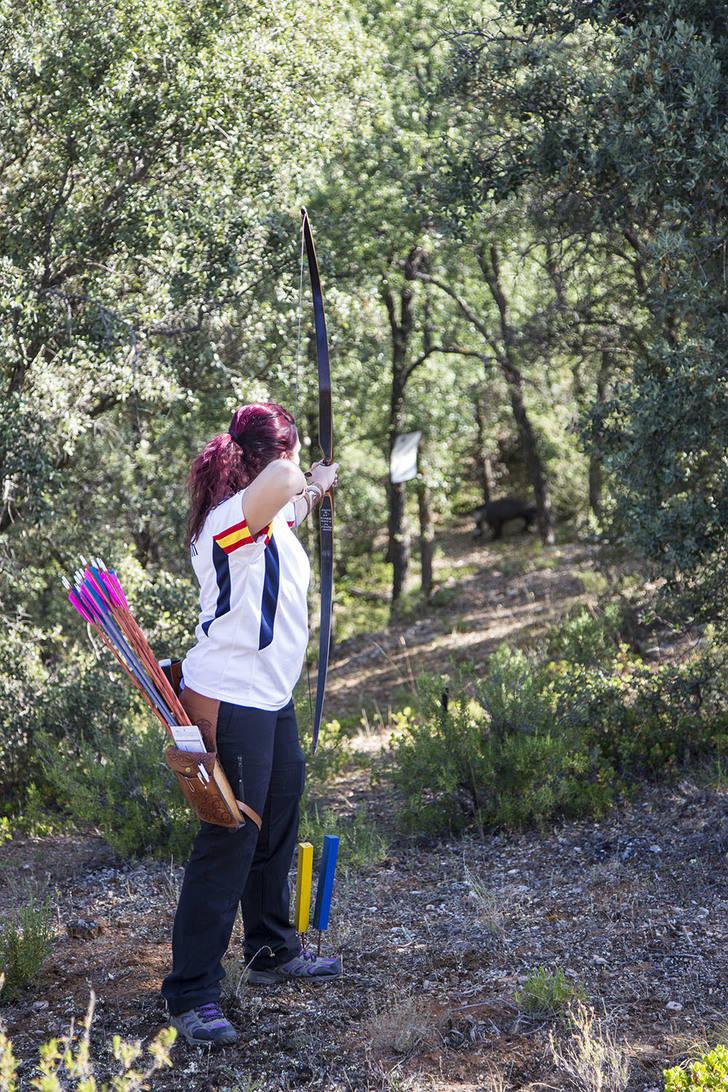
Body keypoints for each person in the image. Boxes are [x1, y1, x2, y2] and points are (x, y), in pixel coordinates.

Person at [161, 402, 341, 1046]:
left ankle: (271, 950)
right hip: (229, 700)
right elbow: (281, 487)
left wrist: (318, 486)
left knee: (279, 821)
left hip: (269, 698)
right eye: (288, 450)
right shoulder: (230, 519)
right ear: (268, 459)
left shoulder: (265, 519)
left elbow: (292, 503)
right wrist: (298, 471)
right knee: (229, 839)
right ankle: (191, 994)